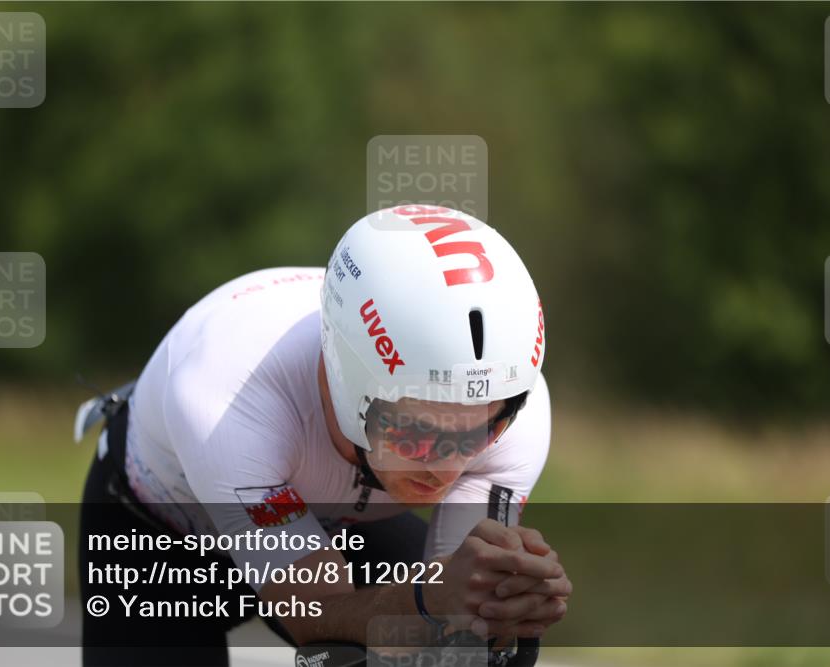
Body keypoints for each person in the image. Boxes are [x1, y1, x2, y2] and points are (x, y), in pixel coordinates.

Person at [78, 205, 571, 666]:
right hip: (161, 537)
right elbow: (315, 612)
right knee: (373, 628)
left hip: (330, 519)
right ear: (350, 382)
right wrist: (428, 599)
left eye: (478, 434)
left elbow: (459, 627)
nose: (446, 468)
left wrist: (504, 608)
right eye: (419, 433)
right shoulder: (227, 395)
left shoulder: (519, 409)